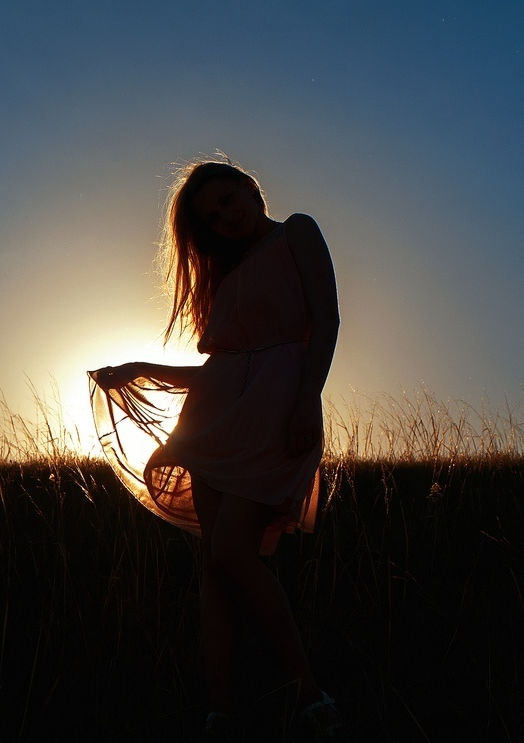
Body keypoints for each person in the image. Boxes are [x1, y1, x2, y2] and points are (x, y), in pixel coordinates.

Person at [89, 158, 343, 738]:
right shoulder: (224, 275)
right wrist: (141, 367)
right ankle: (220, 710)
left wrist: (308, 399)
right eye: (210, 217)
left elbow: (326, 319)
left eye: (228, 201)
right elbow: (222, 364)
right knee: (214, 565)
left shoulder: (297, 232)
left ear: (251, 189)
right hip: (212, 419)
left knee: (232, 553)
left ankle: (309, 692)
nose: (224, 218)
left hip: (278, 410)